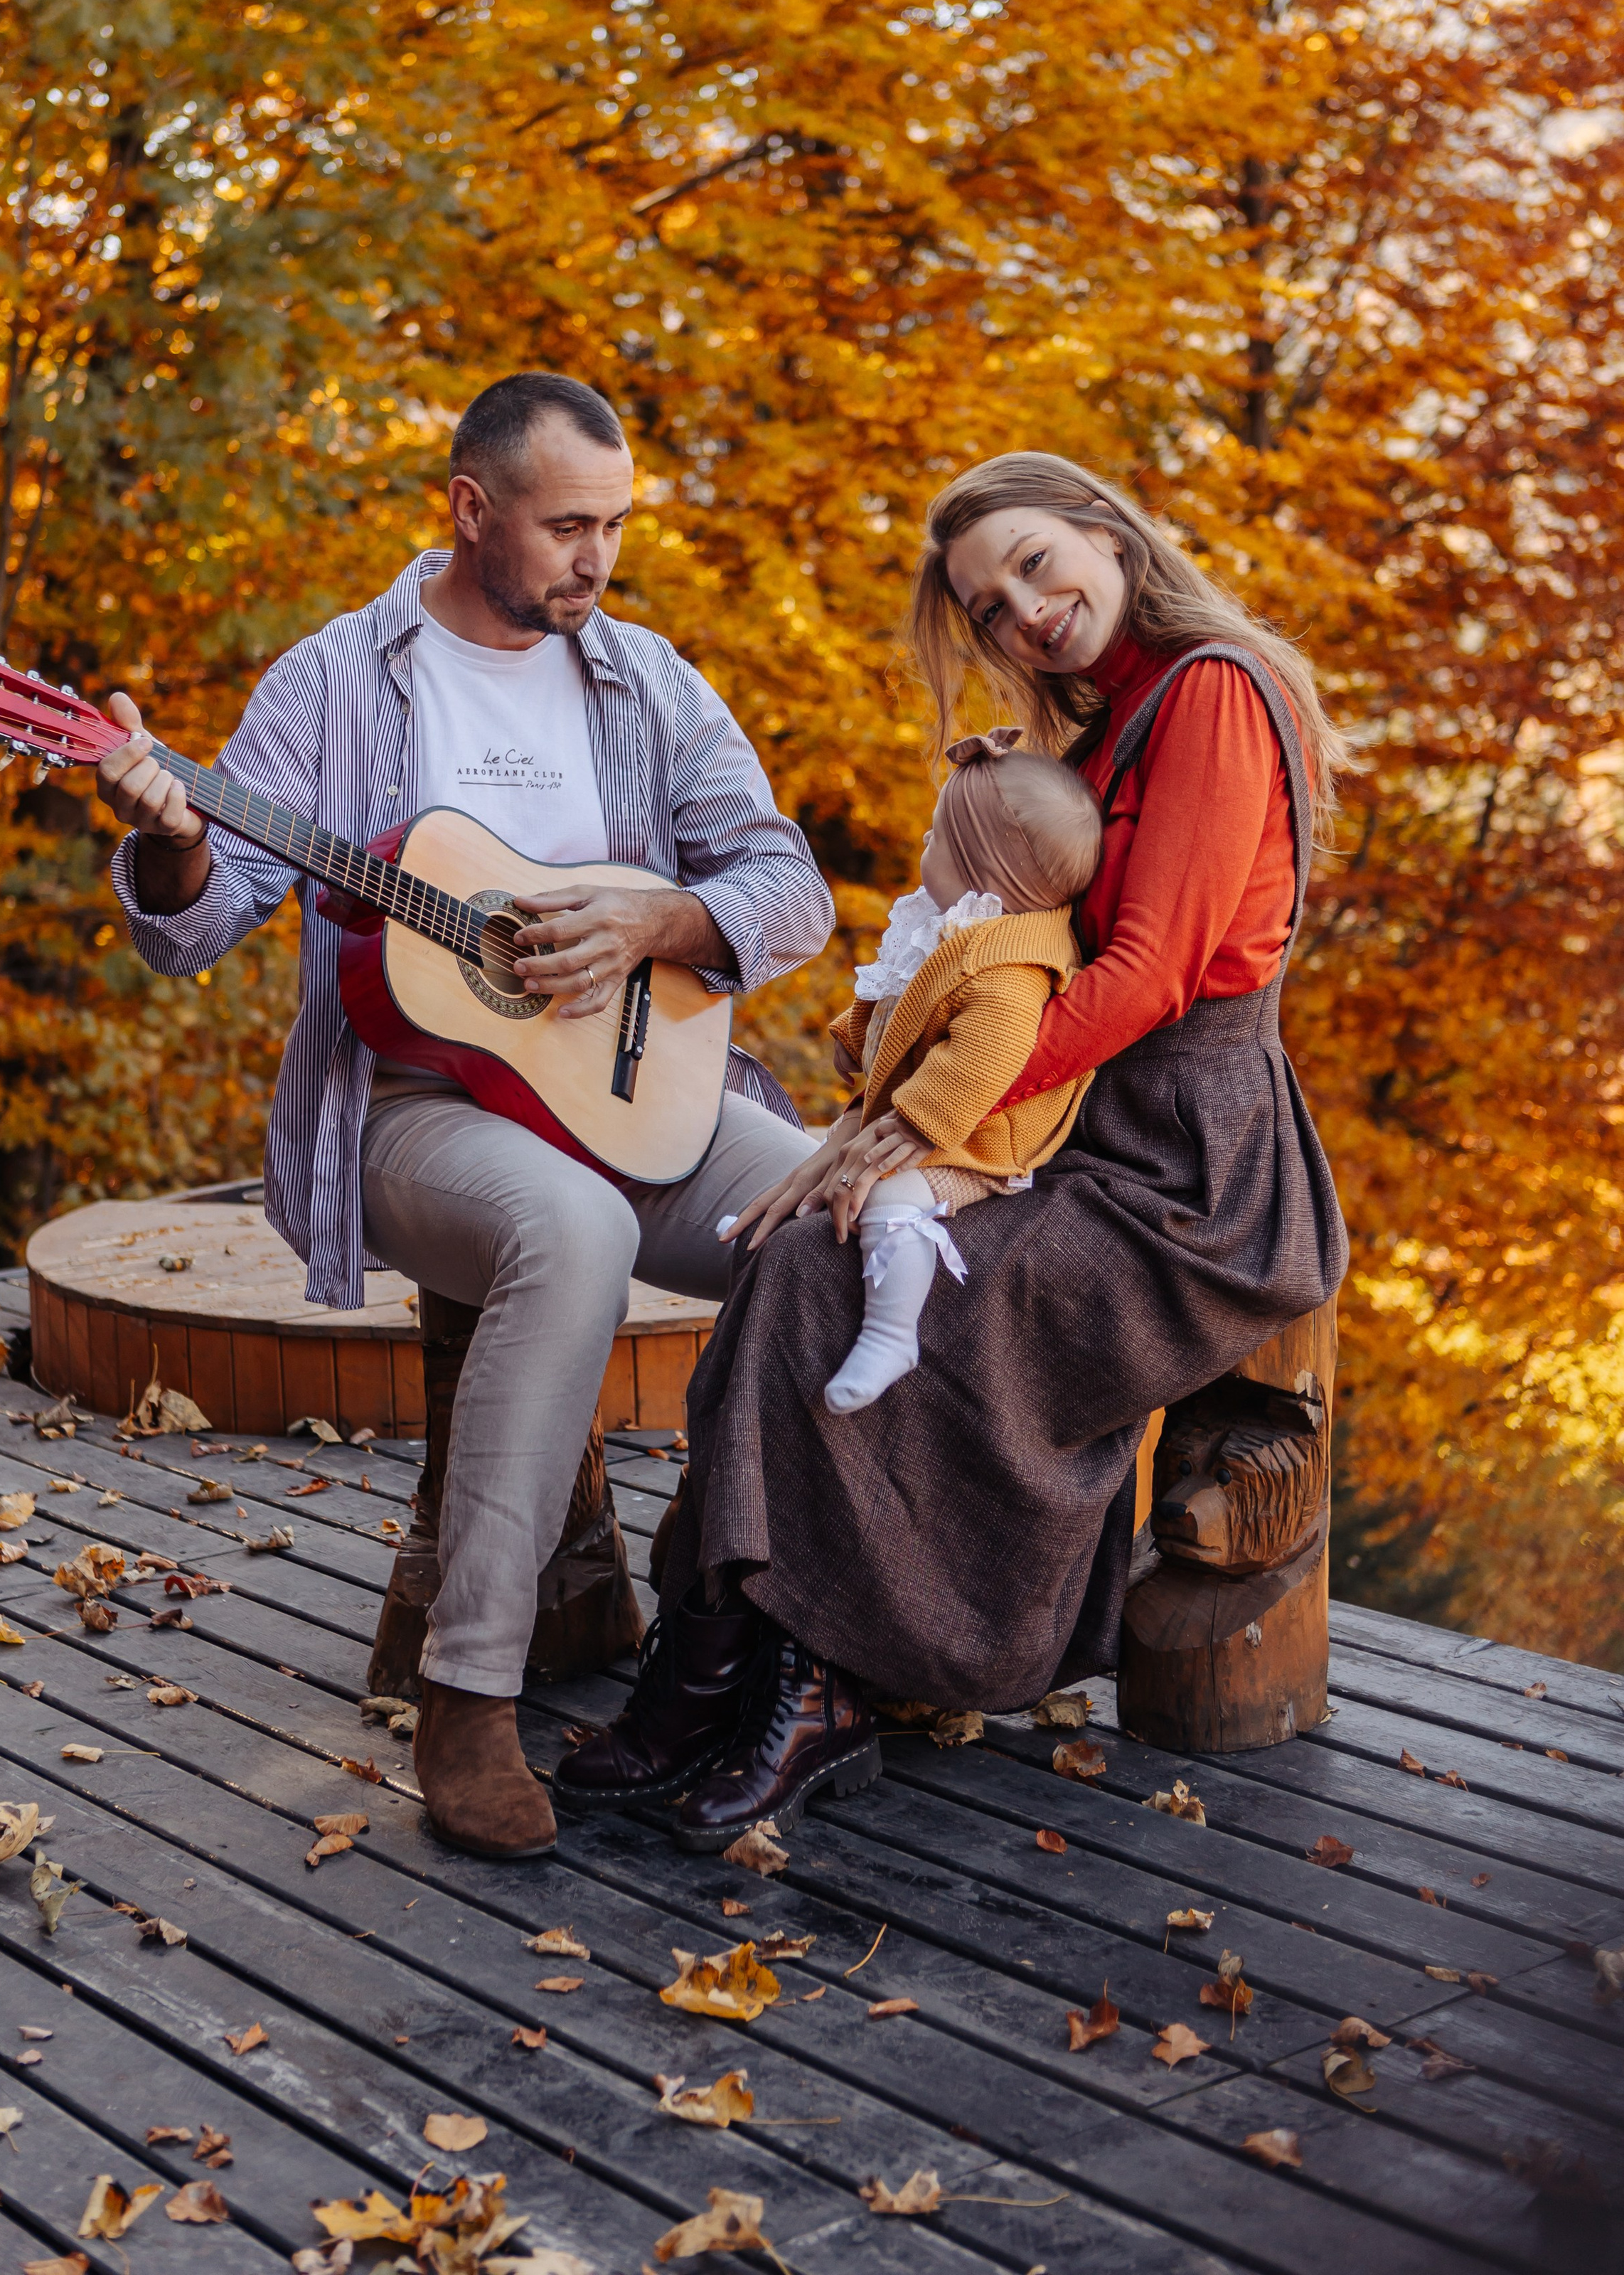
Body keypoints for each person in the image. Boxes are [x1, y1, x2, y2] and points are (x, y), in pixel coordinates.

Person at [553, 450, 1348, 1853]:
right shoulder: (1104, 724)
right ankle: (711, 1662)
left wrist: (909, 1124)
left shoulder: (1210, 691)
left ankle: (812, 1687)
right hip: (1063, 1124)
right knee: (798, 1253)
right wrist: (902, 1110)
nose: (1022, 613)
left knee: (835, 1266)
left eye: (1036, 565)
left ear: (1105, 533)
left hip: (1187, 1175)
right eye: (987, 607)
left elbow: (1151, 974)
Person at [95, 373, 832, 1860]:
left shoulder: (648, 680)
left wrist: (657, 923)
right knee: (561, 1231)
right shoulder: (338, 682)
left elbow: (788, 886)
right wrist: (167, 839)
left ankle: (763, 1635)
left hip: (637, 1093)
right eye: (567, 525)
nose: (596, 558)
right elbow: (204, 914)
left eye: (613, 526)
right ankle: (467, 1696)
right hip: (416, 1114)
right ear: (470, 509)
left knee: (837, 1216)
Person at [747, 732, 1101, 1416]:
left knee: (896, 1199)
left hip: (980, 1137)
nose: (921, 846)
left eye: (936, 838)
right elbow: (900, 1005)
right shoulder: (950, 932)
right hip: (929, 1111)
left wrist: (917, 1123)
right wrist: (855, 1040)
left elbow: (982, 1058)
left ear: (983, 872)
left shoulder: (1009, 969)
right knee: (846, 1177)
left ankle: (890, 1334)